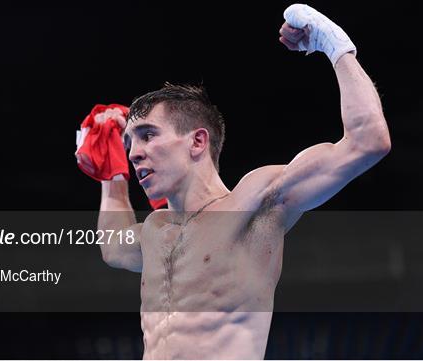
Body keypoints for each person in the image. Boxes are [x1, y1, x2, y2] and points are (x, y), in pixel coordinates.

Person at [93, 4, 391, 359]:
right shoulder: (156, 230)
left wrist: (334, 44)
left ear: (197, 142)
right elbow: (113, 248)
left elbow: (368, 141)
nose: (135, 153)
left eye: (147, 135)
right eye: (130, 142)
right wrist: (110, 169)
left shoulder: (253, 203)